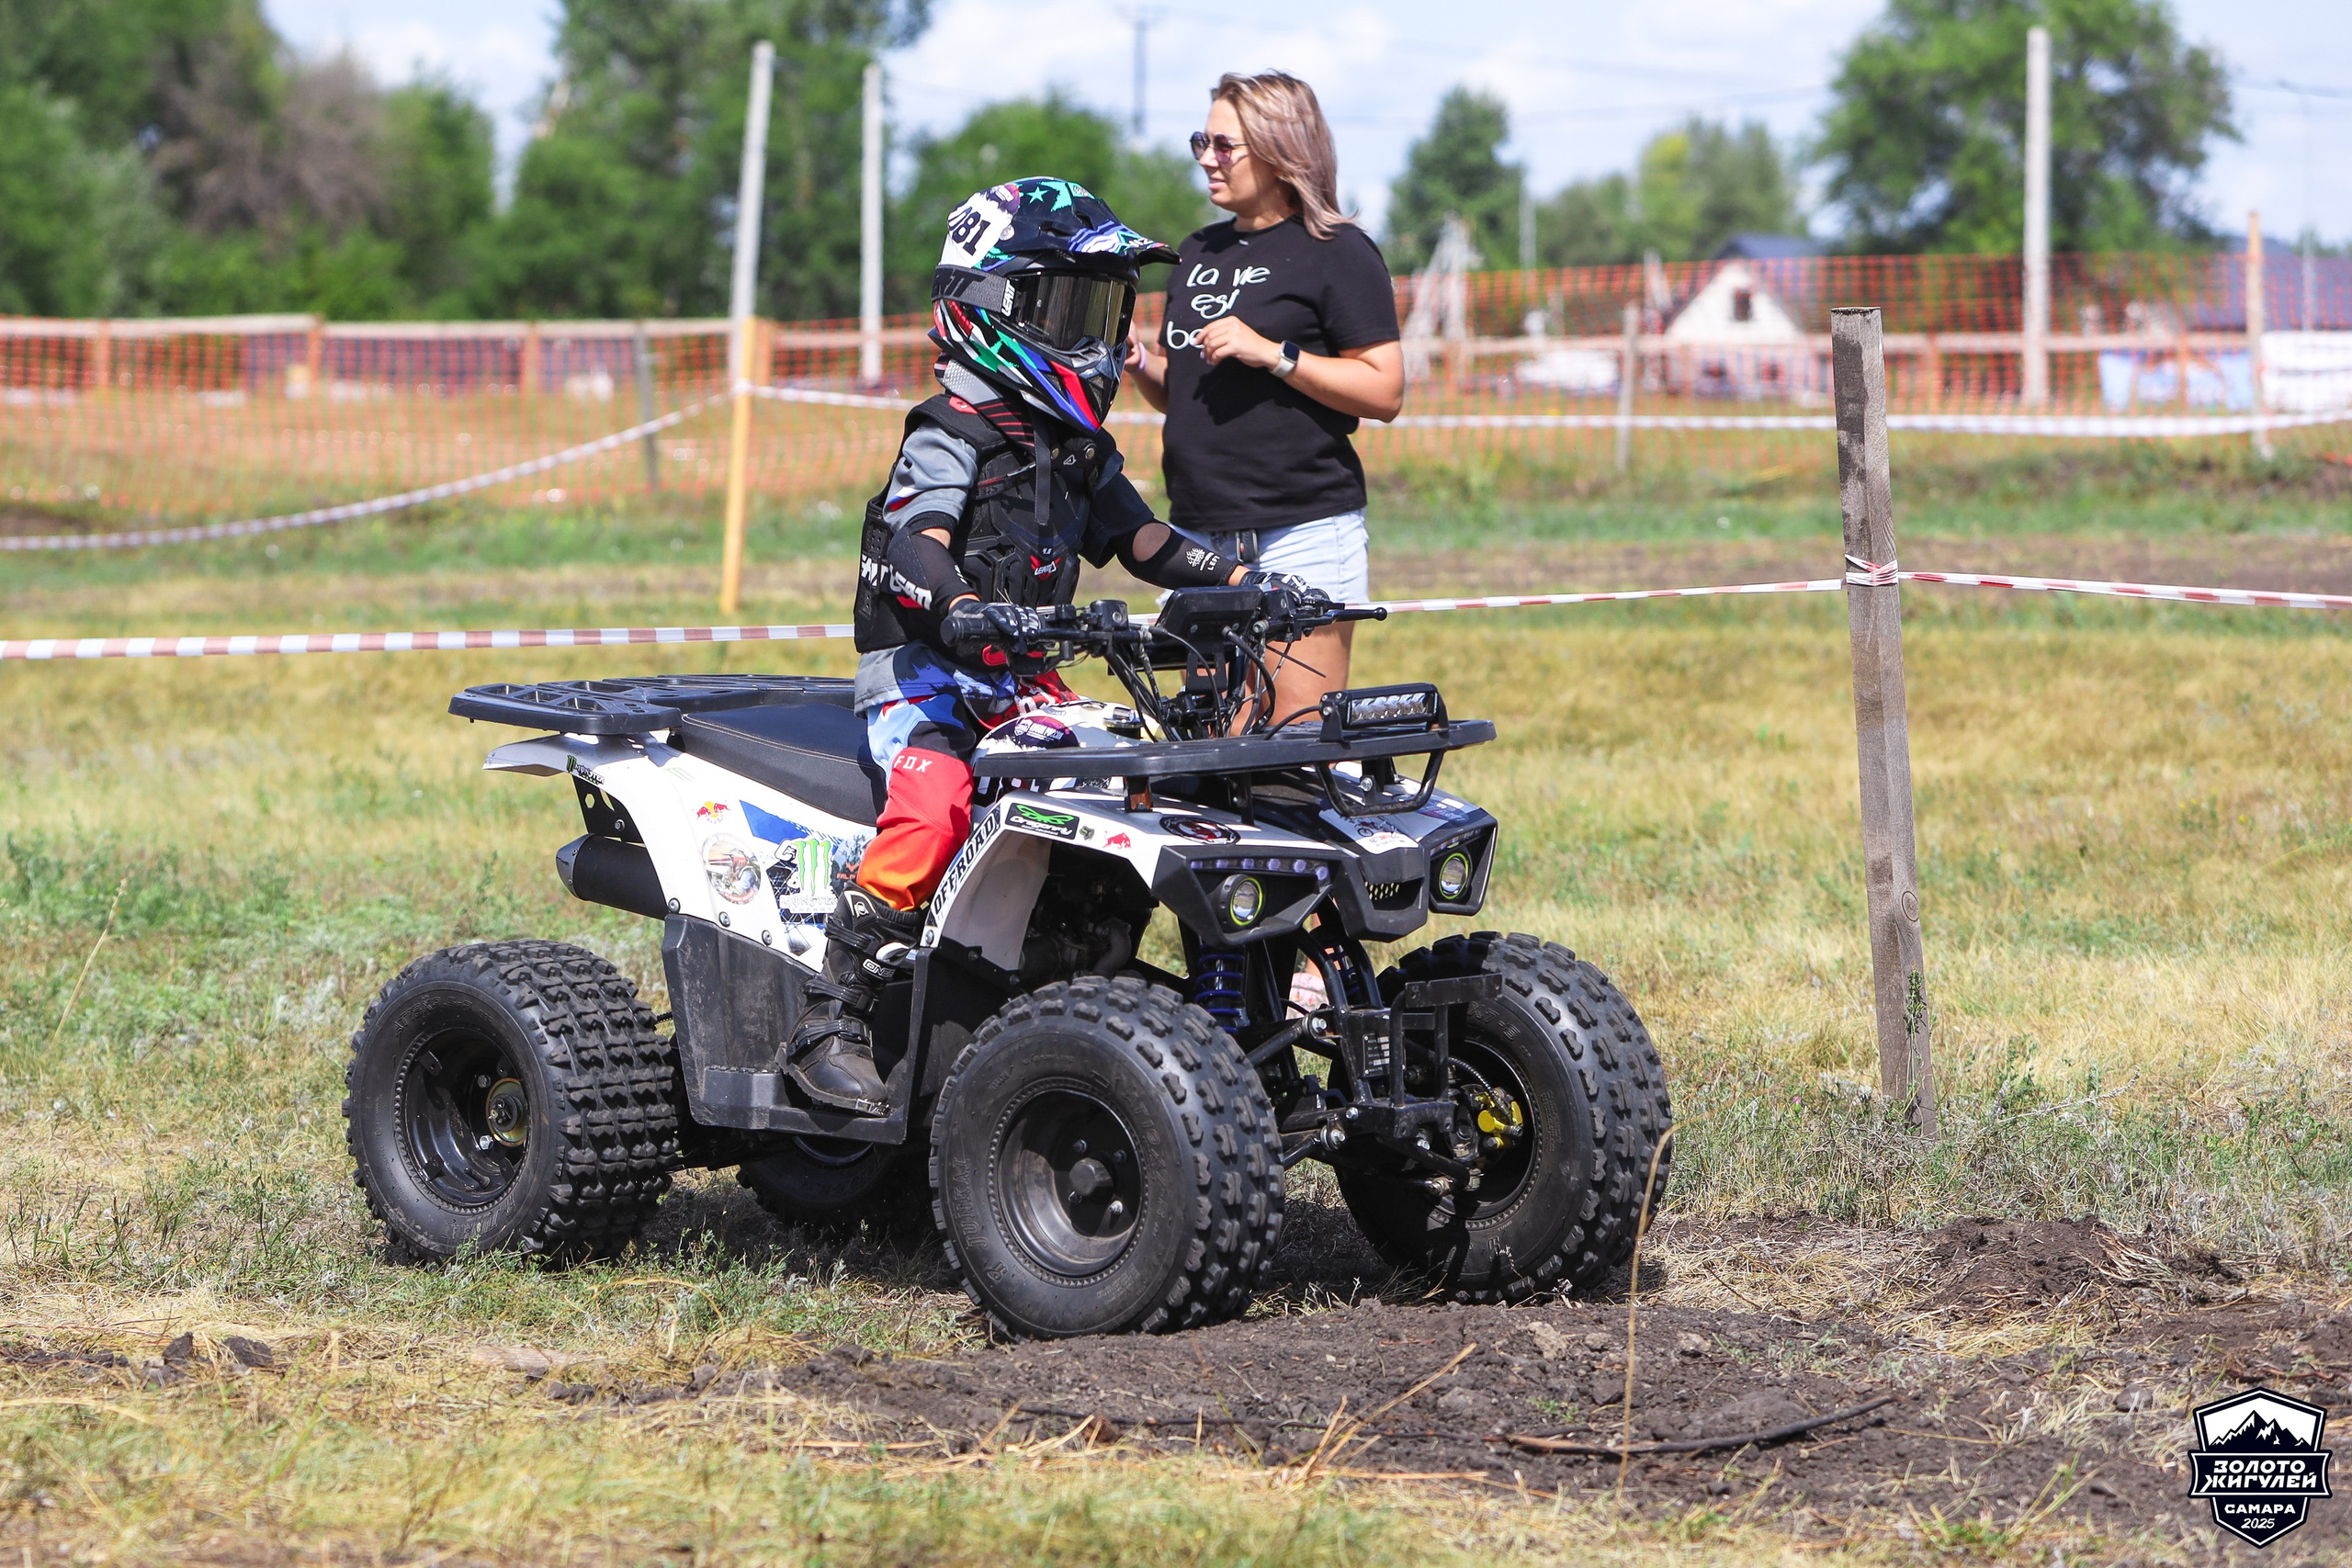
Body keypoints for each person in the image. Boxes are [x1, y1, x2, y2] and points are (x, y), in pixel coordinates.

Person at [788, 176, 1315, 1115]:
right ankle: (832, 1015)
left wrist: (1243, 585)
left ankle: (1173, 998)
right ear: (990, 308)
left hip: (1020, 678)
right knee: (938, 802)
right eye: (1067, 305)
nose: (1094, 335)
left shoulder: (1078, 446)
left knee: (1144, 783)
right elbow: (916, 540)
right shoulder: (949, 430)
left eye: (1104, 309)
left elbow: (1144, 541)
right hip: (925, 678)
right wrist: (955, 607)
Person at [1125, 70, 1405, 728]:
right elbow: (1189, 395)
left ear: (1281, 150)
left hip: (1302, 532)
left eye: (1225, 146)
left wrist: (1275, 354)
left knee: (1289, 746)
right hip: (1201, 539)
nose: (1205, 159)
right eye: (1202, 141)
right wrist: (1142, 363)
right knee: (1207, 745)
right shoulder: (1196, 252)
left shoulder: (1338, 251)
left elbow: (1385, 390)